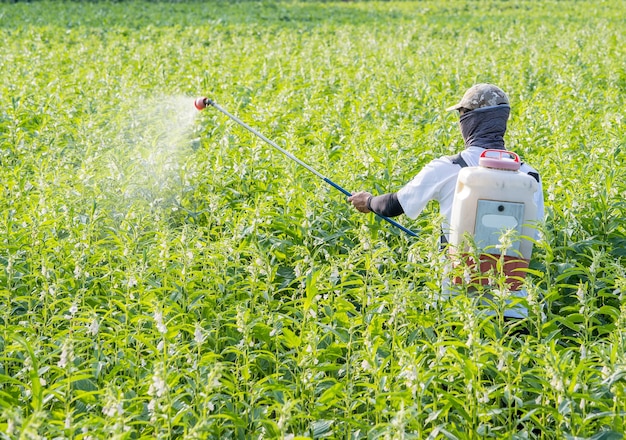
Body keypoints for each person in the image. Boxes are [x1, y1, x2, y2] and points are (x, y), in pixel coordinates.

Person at [348, 83, 545, 319]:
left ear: (470, 120)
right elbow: (536, 235)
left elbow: (392, 205)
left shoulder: (448, 167)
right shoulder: (529, 176)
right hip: (511, 307)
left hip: (458, 304)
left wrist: (368, 201)